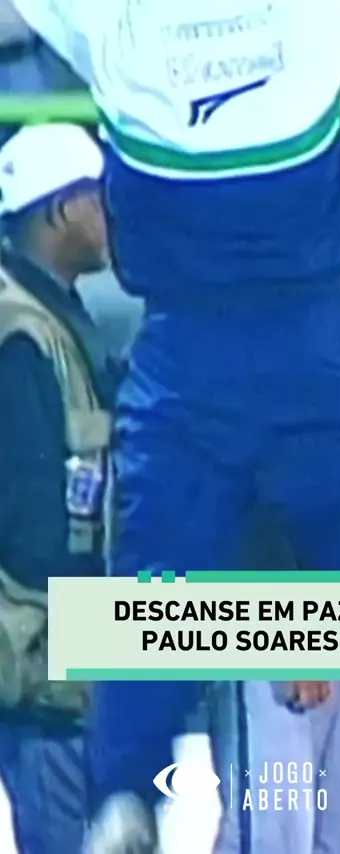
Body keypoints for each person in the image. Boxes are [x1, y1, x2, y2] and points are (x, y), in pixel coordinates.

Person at [10, 3, 340, 854]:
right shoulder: (312, 24)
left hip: (192, 360)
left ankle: (125, 797)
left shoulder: (120, 35)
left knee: (151, 585)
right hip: (301, 625)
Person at [0, 122, 118, 854]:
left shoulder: (51, 316)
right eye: (98, 198)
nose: (110, 214)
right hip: (45, 678)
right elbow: (32, 533)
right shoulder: (20, 331)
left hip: (65, 668)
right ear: (61, 208)